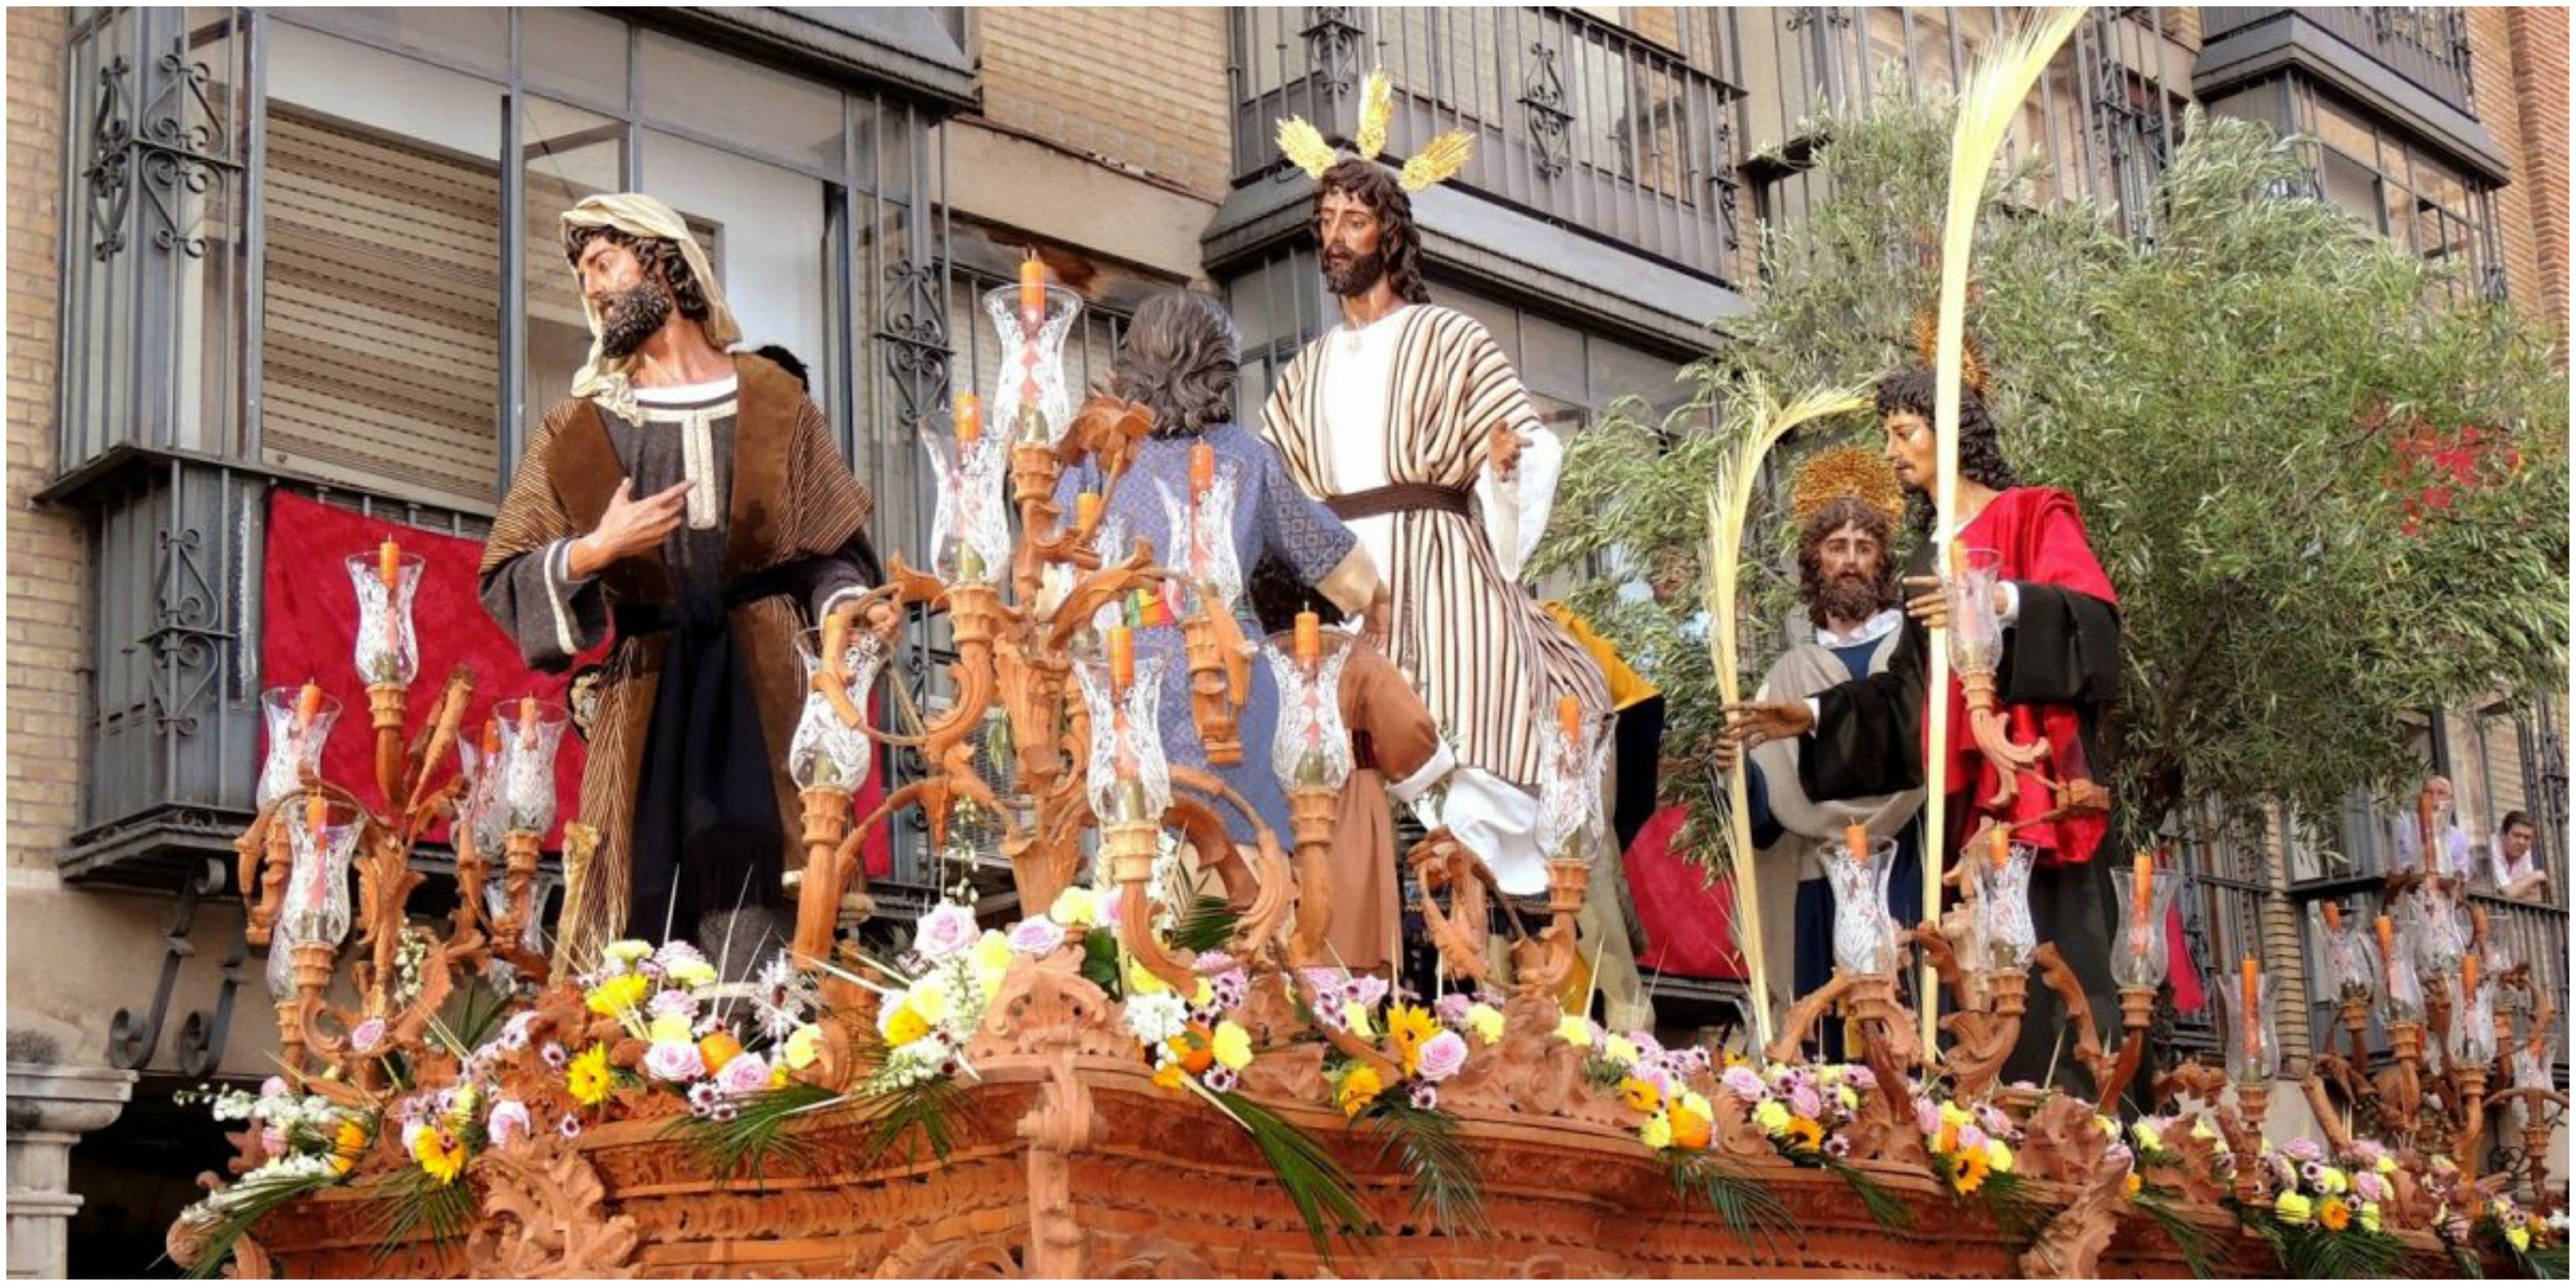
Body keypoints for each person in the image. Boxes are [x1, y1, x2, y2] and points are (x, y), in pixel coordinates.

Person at [1257, 121, 1633, 1023]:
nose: (1336, 237)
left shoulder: (1452, 337)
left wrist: (1503, 466)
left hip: (1438, 565)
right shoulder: (1301, 372)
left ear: (1389, 233)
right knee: (1331, 777)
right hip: (1337, 585)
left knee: (1475, 730)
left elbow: (1527, 440)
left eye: (1354, 220)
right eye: (1327, 220)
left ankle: (1492, 965)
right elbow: (1271, 491)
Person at [479, 194, 879, 973]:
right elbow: (506, 571)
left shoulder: (773, 398)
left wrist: (844, 615)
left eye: (603, 264)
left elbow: (835, 548)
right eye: (581, 274)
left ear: (662, 260)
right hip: (647, 695)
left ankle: (763, 1051)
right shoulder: (578, 428)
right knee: (635, 903)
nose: (591, 288)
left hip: (766, 689)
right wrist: (596, 549)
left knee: (771, 905)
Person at [1720, 370, 2122, 1087]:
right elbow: (1908, 697)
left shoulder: (2031, 515)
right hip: (1958, 811)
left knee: (2054, 964)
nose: (1893, 450)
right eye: (1889, 435)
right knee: (1968, 984)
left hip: (2034, 790)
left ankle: (2078, 1114)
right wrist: (1809, 716)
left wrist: (1995, 598)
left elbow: (2093, 621)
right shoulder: (1925, 560)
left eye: (1905, 433)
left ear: (1953, 436)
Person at [1054, 290, 1395, 860]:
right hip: (1235, 679)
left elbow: (1055, 573)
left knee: (1136, 858)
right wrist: (1376, 598)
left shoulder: (1095, 459)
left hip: (1125, 674)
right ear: (1217, 369)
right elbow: (1331, 556)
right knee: (1244, 862)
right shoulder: (1244, 457)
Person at [1739, 449, 1926, 1053]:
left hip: (1902, 866)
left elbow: (1917, 739)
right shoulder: (1788, 672)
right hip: (1813, 875)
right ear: (1814, 562)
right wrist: (1735, 768)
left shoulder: (1912, 652)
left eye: (1864, 546)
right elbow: (1765, 812)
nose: (1850, 561)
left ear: (1883, 562)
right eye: (1836, 547)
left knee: (1907, 1024)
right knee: (1820, 1035)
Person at [2492, 809, 2547, 901]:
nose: (2521, 842)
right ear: (2503, 834)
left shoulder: (2524, 852)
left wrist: (2518, 888)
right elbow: (2507, 893)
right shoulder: (2492, 848)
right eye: (2516, 835)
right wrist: (2535, 876)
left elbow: (2535, 898)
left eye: (2527, 838)